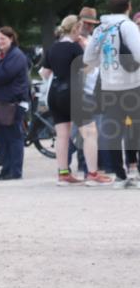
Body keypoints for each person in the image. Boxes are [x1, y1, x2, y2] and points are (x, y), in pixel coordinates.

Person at [42, 15, 113, 186]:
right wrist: (86, 49)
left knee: (62, 135)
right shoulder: (75, 47)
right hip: (73, 93)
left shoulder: (53, 47)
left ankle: (63, 174)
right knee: (90, 132)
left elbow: (45, 73)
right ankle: (92, 174)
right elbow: (88, 69)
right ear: (75, 29)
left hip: (54, 93)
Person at [83, 0, 140, 188]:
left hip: (108, 86)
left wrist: (108, 64)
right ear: (128, 6)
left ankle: (120, 175)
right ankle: (135, 171)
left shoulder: (101, 29)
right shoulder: (128, 26)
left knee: (113, 131)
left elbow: (88, 58)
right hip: (132, 85)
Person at [0, 26, 30, 181]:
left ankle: (15, 171)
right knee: (2, 137)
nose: (0, 42)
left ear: (11, 38)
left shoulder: (16, 56)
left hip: (13, 102)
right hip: (1, 102)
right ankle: (5, 169)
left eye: (3, 38)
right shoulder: (1, 56)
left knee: (14, 137)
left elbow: (6, 74)